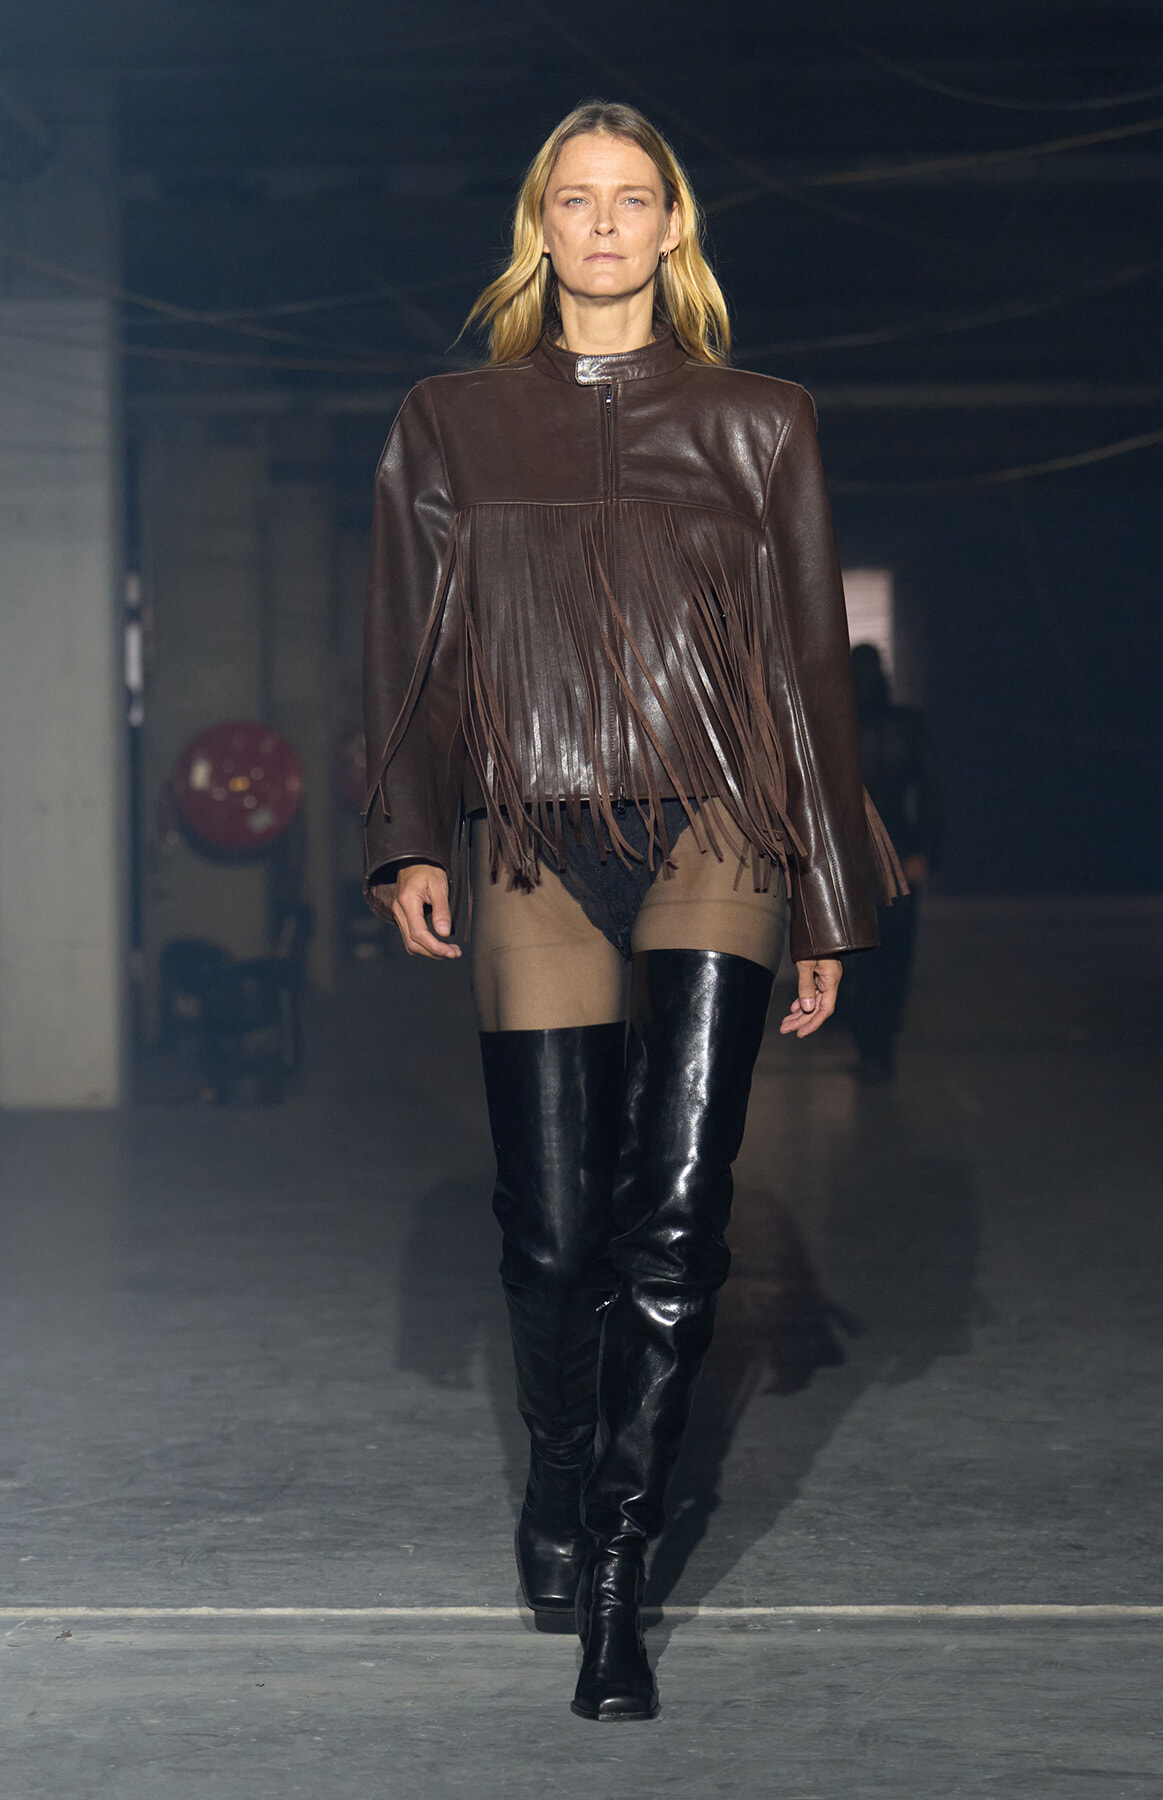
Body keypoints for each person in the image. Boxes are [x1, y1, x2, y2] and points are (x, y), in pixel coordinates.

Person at [361, 101, 901, 1722]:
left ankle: (615, 1569)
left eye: (634, 200)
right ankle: (555, 1471)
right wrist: (406, 839)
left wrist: (827, 899)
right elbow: (403, 643)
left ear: (674, 229)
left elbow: (809, 665)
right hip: (531, 825)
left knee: (674, 1214)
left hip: (719, 825)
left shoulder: (761, 424)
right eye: (575, 202)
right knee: (547, 1229)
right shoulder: (448, 421)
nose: (604, 226)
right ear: (543, 228)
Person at [839, 643, 942, 1083]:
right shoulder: (906, 724)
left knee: (862, 954)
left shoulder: (838, 726)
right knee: (890, 954)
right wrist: (924, 851)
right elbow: (933, 793)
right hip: (895, 848)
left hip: (853, 851)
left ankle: (872, 1049)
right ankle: (878, 1047)